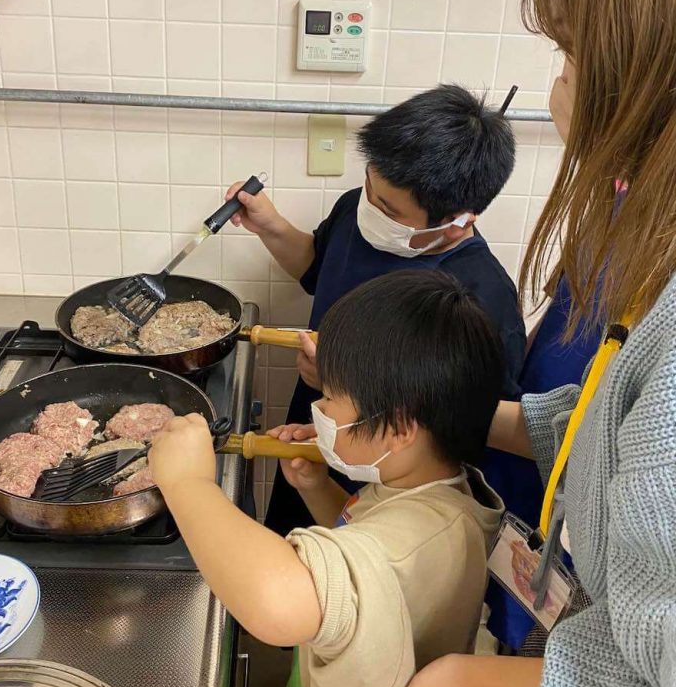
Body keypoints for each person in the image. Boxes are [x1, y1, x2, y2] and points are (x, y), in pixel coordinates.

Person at [367, 0, 676, 687]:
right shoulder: (649, 246)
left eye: (576, 53)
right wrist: (454, 418)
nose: (561, 88)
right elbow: (613, 432)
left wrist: (496, 683)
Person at [148, 270, 505, 687]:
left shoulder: (425, 536)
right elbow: (373, 554)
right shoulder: (429, 487)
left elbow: (281, 601)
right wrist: (320, 490)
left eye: (333, 398)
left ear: (401, 427)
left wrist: (189, 484)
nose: (320, 412)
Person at [225, 84, 525, 535]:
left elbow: (468, 432)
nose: (370, 207)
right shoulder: (358, 209)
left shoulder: (481, 300)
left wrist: (345, 382)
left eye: (388, 207)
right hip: (311, 446)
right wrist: (271, 227)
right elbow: (316, 268)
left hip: (390, 502)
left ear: (461, 219)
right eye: (369, 183)